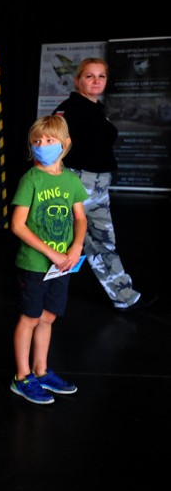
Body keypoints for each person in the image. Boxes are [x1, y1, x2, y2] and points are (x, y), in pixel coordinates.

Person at [52, 58, 156, 311]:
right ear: (78, 80)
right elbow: (53, 146)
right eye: (89, 76)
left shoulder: (95, 109)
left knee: (102, 240)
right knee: (60, 238)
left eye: (101, 76)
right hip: (78, 183)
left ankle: (124, 296)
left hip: (98, 186)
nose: (96, 81)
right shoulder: (70, 109)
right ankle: (39, 295)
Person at [9, 115, 88, 405]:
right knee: (29, 317)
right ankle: (22, 376)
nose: (42, 145)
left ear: (65, 145)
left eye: (49, 140)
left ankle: (41, 371)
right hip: (34, 265)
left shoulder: (71, 180)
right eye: (36, 141)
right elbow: (17, 225)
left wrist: (76, 246)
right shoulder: (31, 179)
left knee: (49, 316)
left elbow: (80, 217)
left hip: (62, 265)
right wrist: (52, 253)